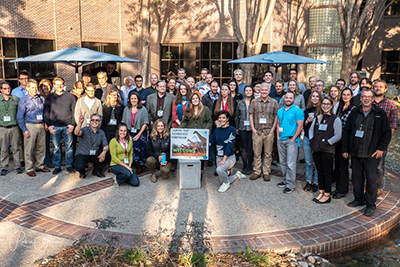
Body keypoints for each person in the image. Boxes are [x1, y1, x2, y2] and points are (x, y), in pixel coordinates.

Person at [342, 88, 391, 216]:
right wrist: (345, 148)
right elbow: (347, 131)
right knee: (357, 178)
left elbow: (386, 133)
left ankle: (370, 204)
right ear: (361, 98)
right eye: (364, 96)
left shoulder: (380, 114)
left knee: (371, 179)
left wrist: (381, 148)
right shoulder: (354, 112)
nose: (366, 98)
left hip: (371, 154)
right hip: (356, 152)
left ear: (373, 99)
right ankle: (358, 199)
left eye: (369, 96)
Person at [309, 97, 342, 204]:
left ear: (332, 106)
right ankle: (321, 191)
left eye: (328, 104)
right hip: (317, 149)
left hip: (327, 150)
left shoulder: (335, 119)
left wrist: (328, 142)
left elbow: (338, 135)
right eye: (323, 103)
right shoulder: (317, 117)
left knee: (327, 172)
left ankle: (327, 194)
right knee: (320, 171)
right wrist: (312, 141)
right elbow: (311, 130)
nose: (325, 106)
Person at [43, 77, 76, 175]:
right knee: (56, 147)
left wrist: (72, 125)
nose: (59, 86)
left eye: (61, 83)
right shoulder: (50, 97)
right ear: (54, 85)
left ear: (64, 84)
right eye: (57, 84)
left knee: (69, 147)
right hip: (55, 127)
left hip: (67, 126)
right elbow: (46, 112)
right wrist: (49, 125)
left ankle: (69, 165)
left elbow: (74, 111)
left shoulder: (70, 96)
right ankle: (57, 166)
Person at [17, 79, 49, 177]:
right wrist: (24, 130)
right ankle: (29, 168)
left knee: (41, 147)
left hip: (41, 124)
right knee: (29, 148)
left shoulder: (41, 98)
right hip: (30, 125)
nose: (35, 89)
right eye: (32, 87)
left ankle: (40, 165)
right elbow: (19, 117)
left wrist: (46, 123)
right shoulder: (24, 100)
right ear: (27, 88)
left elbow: (44, 112)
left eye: (36, 87)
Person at [249, 83, 278, 181]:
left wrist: (273, 130)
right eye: (262, 90)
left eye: (266, 90)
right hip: (257, 131)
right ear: (259, 90)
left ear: (269, 91)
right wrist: (253, 129)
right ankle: (257, 171)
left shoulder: (274, 102)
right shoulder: (254, 102)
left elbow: (276, 116)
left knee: (268, 153)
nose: (264, 91)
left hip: (269, 131)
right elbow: (251, 115)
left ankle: (266, 172)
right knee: (256, 153)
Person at [211, 110, 246, 192]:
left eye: (223, 118)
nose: (221, 119)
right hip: (218, 156)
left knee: (219, 170)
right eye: (220, 118)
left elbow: (229, 146)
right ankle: (237, 175)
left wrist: (224, 160)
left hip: (229, 157)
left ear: (227, 119)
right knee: (222, 179)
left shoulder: (232, 130)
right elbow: (211, 143)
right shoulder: (217, 130)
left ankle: (227, 184)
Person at [373, 80, 398, 195]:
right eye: (376, 86)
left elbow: (393, 124)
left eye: (380, 87)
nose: (378, 88)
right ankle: (365, 185)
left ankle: (377, 187)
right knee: (365, 163)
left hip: (381, 141)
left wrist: (385, 141)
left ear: (385, 89)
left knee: (379, 166)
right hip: (367, 139)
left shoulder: (391, 105)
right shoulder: (368, 102)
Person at [276, 91, 304, 194]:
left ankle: (291, 184)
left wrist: (293, 139)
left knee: (290, 164)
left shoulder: (298, 111)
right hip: (281, 139)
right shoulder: (280, 111)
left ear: (294, 99)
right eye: (286, 97)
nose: (288, 99)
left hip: (291, 140)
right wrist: (278, 137)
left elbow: (300, 126)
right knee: (282, 162)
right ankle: (285, 180)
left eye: (290, 98)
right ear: (284, 98)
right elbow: (278, 124)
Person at [180, 93, 213, 173]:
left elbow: (209, 122)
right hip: (190, 134)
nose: (195, 100)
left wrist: (205, 130)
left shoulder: (205, 109)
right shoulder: (188, 110)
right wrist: (178, 130)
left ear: (199, 99)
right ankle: (191, 170)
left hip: (201, 134)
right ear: (191, 101)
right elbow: (184, 122)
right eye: (193, 99)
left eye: (196, 98)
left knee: (200, 151)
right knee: (192, 151)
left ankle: (201, 170)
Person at [332, 88, 355, 199]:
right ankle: (338, 188)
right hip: (337, 140)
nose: (345, 96)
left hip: (345, 141)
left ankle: (342, 190)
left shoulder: (353, 109)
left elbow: (350, 128)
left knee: (343, 166)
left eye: (348, 95)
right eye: (344, 95)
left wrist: (346, 146)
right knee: (337, 165)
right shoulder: (339, 107)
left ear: (351, 96)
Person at [74, 113, 109, 178]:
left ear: (100, 122)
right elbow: (76, 132)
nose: (94, 122)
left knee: (108, 154)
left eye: (97, 120)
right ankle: (82, 172)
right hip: (83, 153)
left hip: (94, 154)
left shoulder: (101, 132)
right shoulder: (85, 129)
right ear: (90, 122)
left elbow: (106, 145)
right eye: (93, 120)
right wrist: (80, 123)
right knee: (79, 166)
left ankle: (96, 170)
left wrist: (104, 152)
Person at [121, 91, 149, 174]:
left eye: (135, 99)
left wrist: (138, 134)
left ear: (138, 99)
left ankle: (139, 165)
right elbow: (123, 123)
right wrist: (127, 135)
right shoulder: (126, 109)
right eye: (132, 98)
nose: (133, 100)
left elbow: (145, 123)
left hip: (140, 131)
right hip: (128, 132)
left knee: (138, 143)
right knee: (127, 144)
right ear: (129, 100)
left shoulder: (143, 109)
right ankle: (128, 164)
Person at [0, 81, 22, 175]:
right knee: (4, 149)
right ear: (1, 90)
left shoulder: (15, 99)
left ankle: (17, 166)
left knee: (16, 148)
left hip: (14, 127)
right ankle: (4, 167)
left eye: (8, 88)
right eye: (5, 88)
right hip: (3, 128)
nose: (7, 90)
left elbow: (20, 113)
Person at [302, 91, 322, 193]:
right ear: (310, 98)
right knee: (308, 162)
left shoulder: (322, 110)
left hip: (318, 140)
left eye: (317, 96)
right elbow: (302, 126)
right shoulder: (306, 111)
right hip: (307, 138)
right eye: (313, 96)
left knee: (317, 162)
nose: (315, 98)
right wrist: (307, 121)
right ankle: (309, 181)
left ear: (320, 98)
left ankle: (317, 182)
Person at [235, 85, 254, 175]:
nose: (248, 92)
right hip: (242, 127)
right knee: (243, 148)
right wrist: (237, 127)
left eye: (250, 90)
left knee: (250, 148)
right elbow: (236, 116)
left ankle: (250, 166)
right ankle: (244, 166)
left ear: (252, 92)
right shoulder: (240, 102)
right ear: (244, 92)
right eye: (247, 90)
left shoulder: (255, 102)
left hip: (251, 128)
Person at [38, 79, 54, 168]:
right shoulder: (40, 98)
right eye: (44, 86)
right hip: (45, 123)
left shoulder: (53, 96)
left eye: (48, 85)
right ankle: (47, 160)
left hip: (55, 122)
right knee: (46, 143)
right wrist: (46, 123)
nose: (46, 87)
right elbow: (41, 111)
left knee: (56, 143)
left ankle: (57, 160)